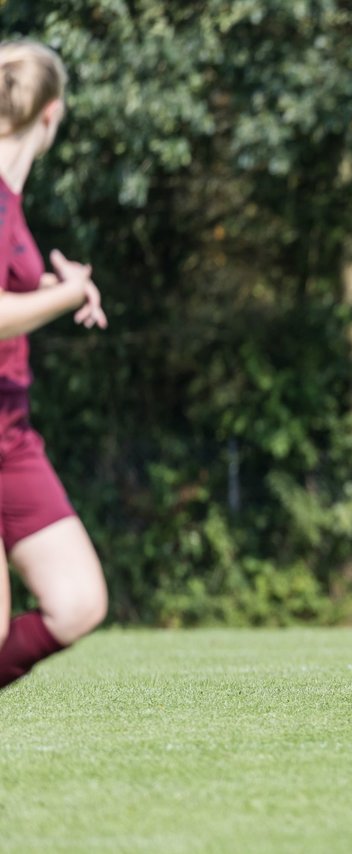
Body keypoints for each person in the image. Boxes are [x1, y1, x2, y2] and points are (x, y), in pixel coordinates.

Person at [0, 40, 109, 691]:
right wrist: (66, 293)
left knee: (77, 601)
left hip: (11, 435)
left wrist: (52, 279)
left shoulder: (12, 203)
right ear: (51, 115)